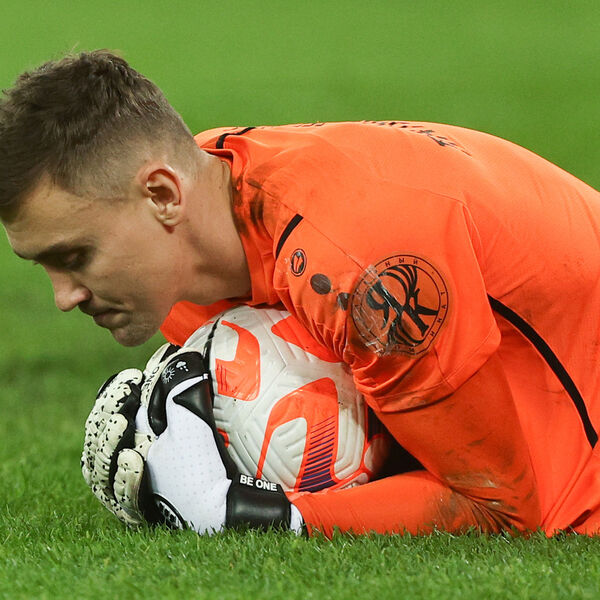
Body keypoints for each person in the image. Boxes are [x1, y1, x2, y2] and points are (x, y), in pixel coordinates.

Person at [2, 50, 600, 538]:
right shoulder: (203, 208)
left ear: (162, 195)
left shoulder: (357, 270)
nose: (63, 297)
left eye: (74, 257)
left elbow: (499, 508)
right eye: (42, 265)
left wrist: (255, 515)